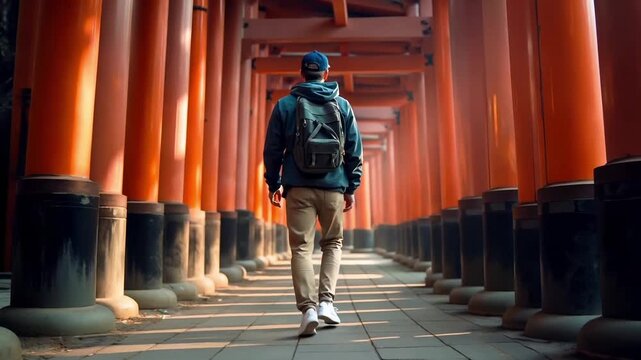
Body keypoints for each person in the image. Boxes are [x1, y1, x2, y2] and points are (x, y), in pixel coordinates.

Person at [263, 50, 363, 337]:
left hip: (298, 188)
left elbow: (272, 150)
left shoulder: (284, 106)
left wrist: (274, 183)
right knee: (332, 243)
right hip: (333, 187)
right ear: (326, 73)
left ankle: (307, 309)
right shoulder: (342, 106)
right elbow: (355, 150)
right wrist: (351, 186)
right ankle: (326, 304)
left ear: (302, 73)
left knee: (301, 248)